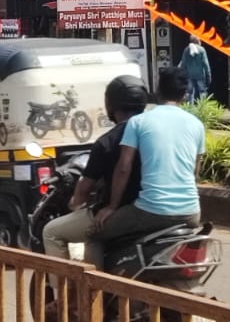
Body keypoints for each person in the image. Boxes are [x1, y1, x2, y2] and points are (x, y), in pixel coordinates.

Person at [42, 76, 149, 265]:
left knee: (52, 232)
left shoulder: (107, 142)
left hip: (127, 212)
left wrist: (75, 203)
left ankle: (82, 291)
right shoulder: (155, 134)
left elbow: (84, 189)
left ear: (110, 104)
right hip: (159, 209)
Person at [93, 67, 204, 248]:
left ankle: (99, 277)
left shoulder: (139, 122)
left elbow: (123, 168)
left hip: (152, 211)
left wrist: (112, 207)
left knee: (94, 234)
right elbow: (195, 171)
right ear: (184, 95)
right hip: (191, 213)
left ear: (158, 91)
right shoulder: (197, 125)